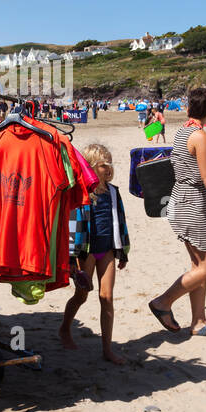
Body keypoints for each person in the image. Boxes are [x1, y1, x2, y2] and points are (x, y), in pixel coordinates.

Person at [148, 86, 206, 338]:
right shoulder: (200, 136)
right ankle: (163, 302)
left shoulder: (181, 132)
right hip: (191, 204)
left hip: (179, 201)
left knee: (197, 264)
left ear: (189, 108)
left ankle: (199, 322)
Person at [60, 143, 130, 364]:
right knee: (82, 295)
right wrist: (72, 259)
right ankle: (64, 329)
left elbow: (121, 222)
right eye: (103, 165)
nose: (108, 169)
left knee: (106, 297)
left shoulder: (114, 192)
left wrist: (123, 251)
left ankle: (107, 349)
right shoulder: (82, 194)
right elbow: (72, 227)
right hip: (86, 252)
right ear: (90, 168)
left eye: (110, 164)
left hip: (107, 249)